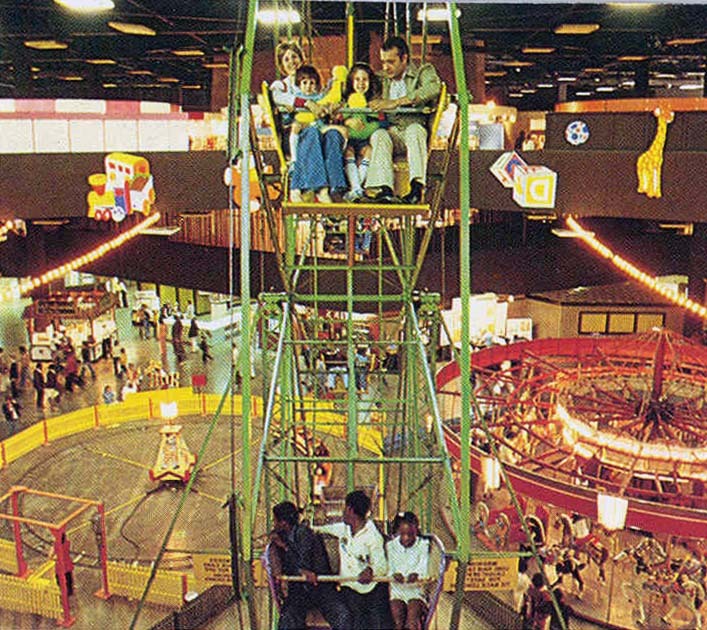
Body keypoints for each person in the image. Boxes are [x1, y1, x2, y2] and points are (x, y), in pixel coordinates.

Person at [366, 36, 441, 205]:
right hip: (394, 132)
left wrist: (397, 102)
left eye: (391, 62)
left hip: (413, 129)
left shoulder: (422, 72)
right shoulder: (382, 78)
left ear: (404, 58)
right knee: (379, 135)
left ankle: (416, 187)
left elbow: (433, 88)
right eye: (383, 62)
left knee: (414, 131)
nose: (386, 67)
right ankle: (384, 189)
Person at [269, 41, 347, 204]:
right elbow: (278, 97)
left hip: (317, 129)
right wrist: (306, 103)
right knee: (311, 133)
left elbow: (325, 98)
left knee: (333, 134)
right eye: (286, 59)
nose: (292, 62)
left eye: (294, 57)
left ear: (301, 58)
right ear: (281, 64)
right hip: (294, 133)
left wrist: (334, 104)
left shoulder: (311, 83)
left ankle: (336, 186)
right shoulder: (281, 85)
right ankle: (318, 187)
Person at [314, 490, 392, 629]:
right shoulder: (344, 530)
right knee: (352, 617)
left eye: (344, 508)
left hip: (368, 589)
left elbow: (382, 566)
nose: (343, 512)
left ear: (350, 509)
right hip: (349, 587)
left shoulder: (373, 536)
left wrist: (371, 570)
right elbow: (320, 529)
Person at [270, 501, 352, 630]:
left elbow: (304, 561)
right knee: (288, 618)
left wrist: (286, 549)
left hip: (320, 587)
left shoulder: (303, 533)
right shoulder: (282, 537)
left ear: (283, 523)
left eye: (275, 521)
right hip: (300, 590)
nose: (274, 524)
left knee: (341, 614)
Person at [342, 62, 383, 202]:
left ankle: (356, 188)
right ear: (351, 82)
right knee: (348, 152)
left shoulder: (373, 102)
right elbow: (339, 117)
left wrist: (370, 126)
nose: (361, 83)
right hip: (349, 138)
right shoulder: (346, 101)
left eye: (364, 80)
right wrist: (347, 121)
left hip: (366, 138)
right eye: (357, 79)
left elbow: (380, 120)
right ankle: (357, 187)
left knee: (369, 151)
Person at [386, 511, 430, 630]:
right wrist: (394, 575)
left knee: (412, 621)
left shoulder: (423, 545)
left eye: (410, 535)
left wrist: (417, 575)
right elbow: (390, 569)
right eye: (403, 534)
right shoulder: (391, 546)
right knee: (397, 621)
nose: (406, 538)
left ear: (416, 531)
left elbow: (424, 568)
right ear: (398, 532)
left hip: (416, 592)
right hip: (398, 592)